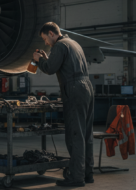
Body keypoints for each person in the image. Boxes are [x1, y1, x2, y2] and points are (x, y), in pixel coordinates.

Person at [33, 22, 94, 187]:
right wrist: (47, 58)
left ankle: (76, 177)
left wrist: (39, 60)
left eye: (45, 39)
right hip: (87, 87)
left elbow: (50, 69)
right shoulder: (74, 43)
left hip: (74, 88)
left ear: (51, 33)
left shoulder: (59, 46)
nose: (45, 43)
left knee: (75, 135)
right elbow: (57, 64)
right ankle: (87, 174)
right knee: (86, 133)